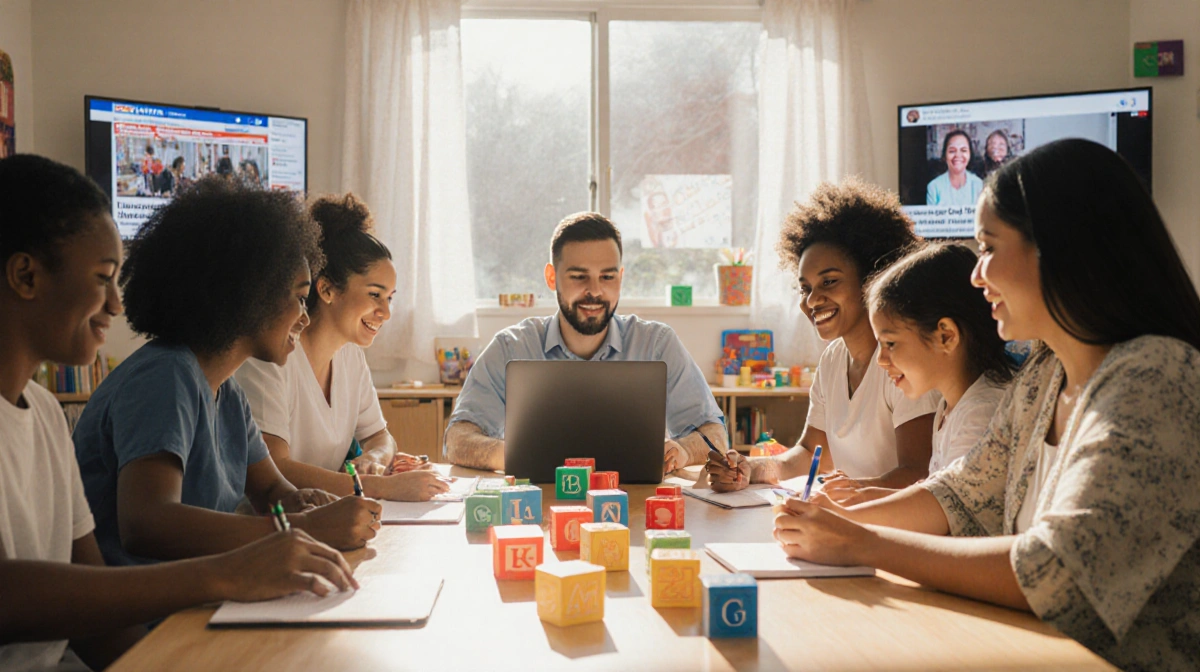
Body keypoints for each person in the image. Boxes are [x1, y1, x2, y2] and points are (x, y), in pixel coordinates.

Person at [774, 139, 1200, 670]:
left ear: (1059, 248)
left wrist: (863, 543)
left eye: (990, 249)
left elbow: (1056, 570)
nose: (978, 275)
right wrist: (836, 522)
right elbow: (959, 494)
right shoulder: (1045, 374)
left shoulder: (1156, 379)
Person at [0, 155, 356, 671]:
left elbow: (94, 611)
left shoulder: (47, 416)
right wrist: (235, 566)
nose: (116, 306)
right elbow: (140, 528)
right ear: (25, 276)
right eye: (102, 277)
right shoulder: (165, 374)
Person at [73, 176, 382, 569]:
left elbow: (271, 488)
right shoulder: (165, 376)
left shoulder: (226, 390)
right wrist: (306, 528)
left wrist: (302, 502)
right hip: (142, 618)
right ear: (250, 293)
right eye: (299, 299)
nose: (305, 318)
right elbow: (149, 524)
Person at [445, 211, 727, 474]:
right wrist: (516, 454)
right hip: (538, 507)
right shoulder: (511, 347)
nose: (595, 291)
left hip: (635, 506)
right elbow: (458, 439)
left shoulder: (657, 344)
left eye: (607, 276)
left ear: (621, 277)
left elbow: (714, 433)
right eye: (579, 277)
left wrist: (684, 451)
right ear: (551, 277)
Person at [706, 179, 938, 497]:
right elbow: (811, 453)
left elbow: (918, 475)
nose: (813, 300)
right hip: (852, 520)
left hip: (893, 527)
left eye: (829, 281)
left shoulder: (903, 359)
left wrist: (844, 494)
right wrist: (753, 469)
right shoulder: (833, 358)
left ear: (872, 278)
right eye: (805, 288)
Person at [235, 193, 448, 501]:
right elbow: (275, 469)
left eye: (390, 298)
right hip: (268, 527)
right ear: (327, 289)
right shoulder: (269, 358)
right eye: (375, 295)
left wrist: (375, 458)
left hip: (324, 516)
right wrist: (379, 487)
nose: (386, 313)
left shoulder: (350, 356)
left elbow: (379, 436)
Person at [830, 242, 1014, 505]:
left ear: (946, 336)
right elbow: (933, 492)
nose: (881, 360)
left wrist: (845, 513)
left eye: (890, 344)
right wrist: (857, 494)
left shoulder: (981, 413)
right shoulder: (949, 408)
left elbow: (944, 513)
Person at [925, 129, 983, 206]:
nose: (958, 155)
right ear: (944, 155)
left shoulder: (978, 185)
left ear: (970, 154)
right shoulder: (934, 187)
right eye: (952, 151)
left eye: (963, 150)